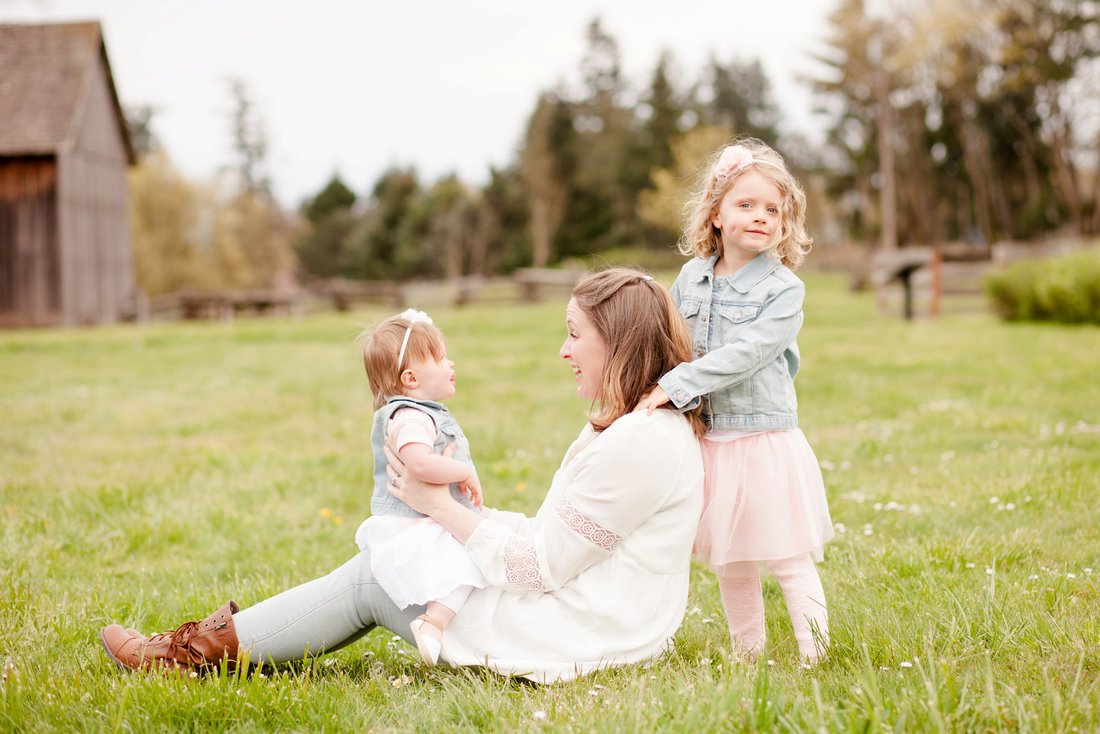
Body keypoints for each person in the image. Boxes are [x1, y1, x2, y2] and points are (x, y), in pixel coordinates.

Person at [99, 268, 707, 684]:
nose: (563, 351)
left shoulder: (643, 441)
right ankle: (205, 644)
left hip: (576, 634)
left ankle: (183, 656)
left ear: (619, 342)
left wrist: (438, 507)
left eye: (576, 335)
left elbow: (541, 567)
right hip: (592, 616)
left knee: (375, 578)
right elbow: (556, 541)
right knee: (408, 556)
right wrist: (464, 521)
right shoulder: (629, 423)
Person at [637, 138, 834, 665]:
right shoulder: (690, 278)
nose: (761, 217)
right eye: (746, 205)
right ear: (717, 214)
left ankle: (816, 654)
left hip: (762, 438)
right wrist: (645, 385)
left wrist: (678, 384)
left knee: (787, 555)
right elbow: (668, 339)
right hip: (712, 438)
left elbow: (747, 354)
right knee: (732, 560)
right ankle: (748, 652)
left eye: (774, 209)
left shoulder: (783, 290)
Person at [352, 308, 486, 666]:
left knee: (476, 559)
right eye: (441, 358)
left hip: (425, 518)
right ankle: (433, 622)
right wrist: (462, 472)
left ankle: (439, 622)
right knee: (470, 562)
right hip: (415, 525)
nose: (451, 363)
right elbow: (419, 463)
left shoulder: (422, 413)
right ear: (410, 378)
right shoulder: (411, 417)